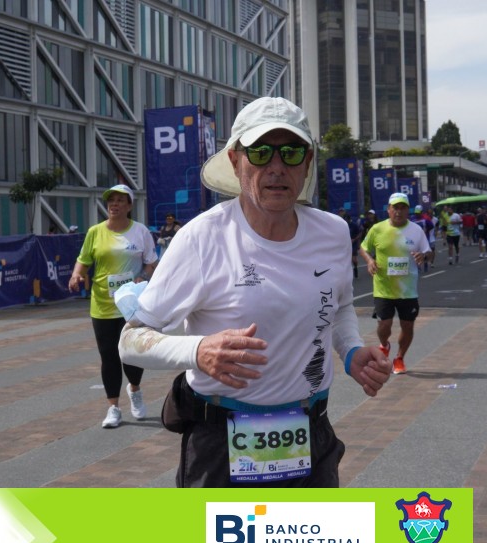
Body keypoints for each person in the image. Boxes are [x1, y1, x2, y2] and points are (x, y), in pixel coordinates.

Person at [119, 96, 391, 488]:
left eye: (291, 152)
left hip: (310, 435)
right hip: (220, 443)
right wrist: (198, 350)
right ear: (235, 161)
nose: (277, 167)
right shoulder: (202, 238)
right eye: (261, 152)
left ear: (307, 162)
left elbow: (339, 305)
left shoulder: (331, 232)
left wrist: (351, 350)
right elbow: (130, 341)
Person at [68, 184, 157, 428]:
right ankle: (113, 408)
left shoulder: (140, 231)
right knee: (109, 356)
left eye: (120, 200)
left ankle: (135, 390)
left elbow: (152, 262)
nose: (114, 204)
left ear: (129, 206)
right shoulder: (95, 232)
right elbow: (83, 260)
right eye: (111, 200)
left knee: (131, 354)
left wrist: (142, 277)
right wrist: (76, 275)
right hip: (103, 305)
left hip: (131, 305)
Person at [360, 193, 430, 376]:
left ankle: (399, 358)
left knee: (407, 326)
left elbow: (430, 252)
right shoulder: (377, 229)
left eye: (402, 208)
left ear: (408, 210)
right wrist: (369, 260)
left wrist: (424, 256)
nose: (398, 211)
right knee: (384, 325)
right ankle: (384, 344)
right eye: (395, 208)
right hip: (383, 287)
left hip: (408, 290)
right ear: (389, 210)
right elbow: (363, 247)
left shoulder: (416, 230)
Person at [338, 208, 363, 278]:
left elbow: (360, 233)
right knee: (345, 260)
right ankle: (346, 273)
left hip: (353, 244)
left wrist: (354, 239)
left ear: (349, 219)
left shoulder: (354, 225)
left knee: (354, 259)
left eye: (347, 220)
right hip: (345, 245)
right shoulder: (342, 225)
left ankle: (355, 267)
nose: (346, 221)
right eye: (345, 220)